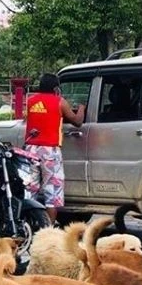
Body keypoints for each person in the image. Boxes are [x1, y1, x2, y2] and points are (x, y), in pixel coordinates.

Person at [25, 73, 84, 223]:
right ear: (56, 88)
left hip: (31, 150)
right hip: (50, 151)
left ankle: (29, 225)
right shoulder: (60, 102)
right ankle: (49, 231)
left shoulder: (31, 101)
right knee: (51, 192)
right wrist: (82, 108)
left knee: (31, 190)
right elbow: (77, 121)